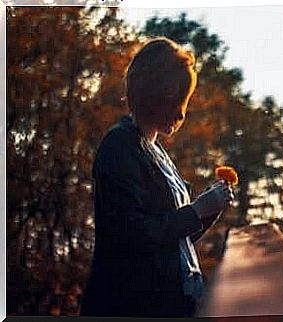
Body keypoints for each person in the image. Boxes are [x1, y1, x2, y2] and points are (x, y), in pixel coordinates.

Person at [80, 37, 234, 317]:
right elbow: (131, 235)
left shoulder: (158, 153)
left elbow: (172, 239)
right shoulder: (120, 146)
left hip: (174, 302)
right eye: (174, 100)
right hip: (132, 306)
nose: (181, 112)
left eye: (184, 101)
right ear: (150, 94)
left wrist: (208, 210)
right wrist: (196, 210)